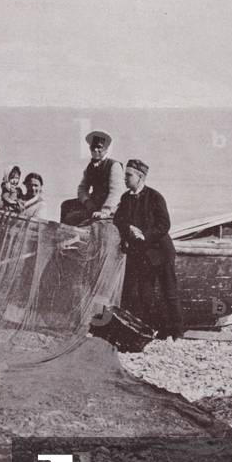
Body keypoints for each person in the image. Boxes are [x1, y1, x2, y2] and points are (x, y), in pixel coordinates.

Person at [112, 159, 183, 341]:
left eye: (129, 175)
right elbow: (118, 220)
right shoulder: (125, 198)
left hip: (162, 252)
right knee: (146, 295)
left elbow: (164, 224)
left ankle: (177, 332)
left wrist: (145, 234)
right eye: (125, 175)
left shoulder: (155, 197)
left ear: (140, 177)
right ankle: (157, 330)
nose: (125, 179)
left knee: (170, 292)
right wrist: (128, 227)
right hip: (143, 255)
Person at [60, 130, 123, 225]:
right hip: (94, 204)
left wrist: (105, 211)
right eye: (93, 147)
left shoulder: (114, 165)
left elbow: (116, 192)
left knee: (73, 218)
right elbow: (82, 188)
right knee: (66, 205)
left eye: (99, 147)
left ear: (106, 149)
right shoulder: (90, 167)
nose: (95, 150)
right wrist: (87, 201)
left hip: (109, 206)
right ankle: (62, 233)